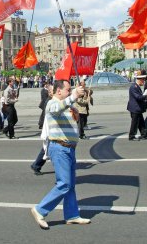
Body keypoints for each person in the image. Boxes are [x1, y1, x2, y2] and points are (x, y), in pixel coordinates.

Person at [31, 79, 91, 229]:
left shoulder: (66, 105)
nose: (69, 92)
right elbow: (56, 108)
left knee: (70, 185)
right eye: (67, 90)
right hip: (59, 148)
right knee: (64, 184)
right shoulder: (52, 103)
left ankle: (72, 215)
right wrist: (74, 95)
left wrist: (75, 115)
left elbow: (67, 119)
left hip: (69, 148)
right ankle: (40, 210)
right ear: (59, 91)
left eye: (70, 90)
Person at [31, 84, 53, 175]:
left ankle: (36, 165)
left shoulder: (52, 100)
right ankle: (36, 165)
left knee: (47, 148)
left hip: (52, 127)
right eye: (52, 90)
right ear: (50, 92)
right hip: (50, 128)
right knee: (47, 148)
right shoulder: (49, 101)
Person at [127, 71, 147, 141]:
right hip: (135, 108)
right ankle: (131, 136)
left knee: (141, 122)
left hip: (137, 108)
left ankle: (144, 134)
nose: (143, 82)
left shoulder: (137, 86)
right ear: (139, 80)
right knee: (135, 123)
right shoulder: (133, 87)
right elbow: (138, 97)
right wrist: (146, 96)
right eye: (143, 80)